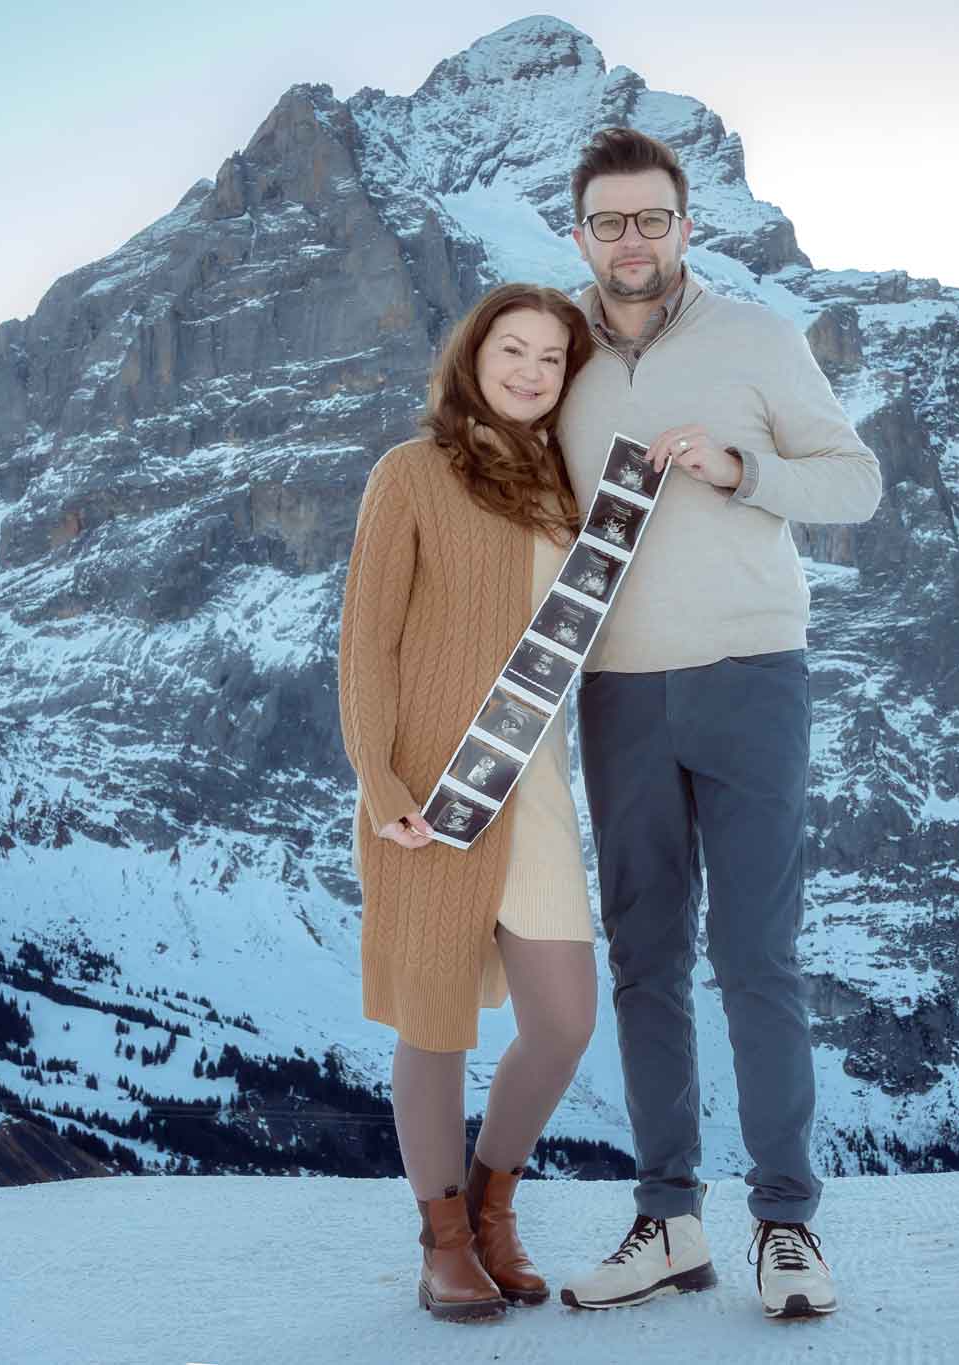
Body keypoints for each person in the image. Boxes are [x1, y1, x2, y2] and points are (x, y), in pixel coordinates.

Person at [553, 127, 884, 1320]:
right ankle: (666, 1221)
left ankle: (785, 1226)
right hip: (614, 690)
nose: (630, 240)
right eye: (609, 222)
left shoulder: (756, 338)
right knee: (644, 955)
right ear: (580, 233)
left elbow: (855, 482)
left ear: (685, 226)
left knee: (756, 956)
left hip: (750, 674)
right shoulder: (557, 356)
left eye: (651, 218)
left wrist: (746, 471)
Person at [337, 282, 602, 1323]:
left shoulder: (571, 488)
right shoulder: (410, 474)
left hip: (532, 788)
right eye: (513, 349)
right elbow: (368, 641)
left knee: (564, 1022)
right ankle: (444, 1238)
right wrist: (379, 779)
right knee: (435, 1021)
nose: (532, 370)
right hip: (429, 796)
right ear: (472, 357)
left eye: (552, 358)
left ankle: (496, 1203)